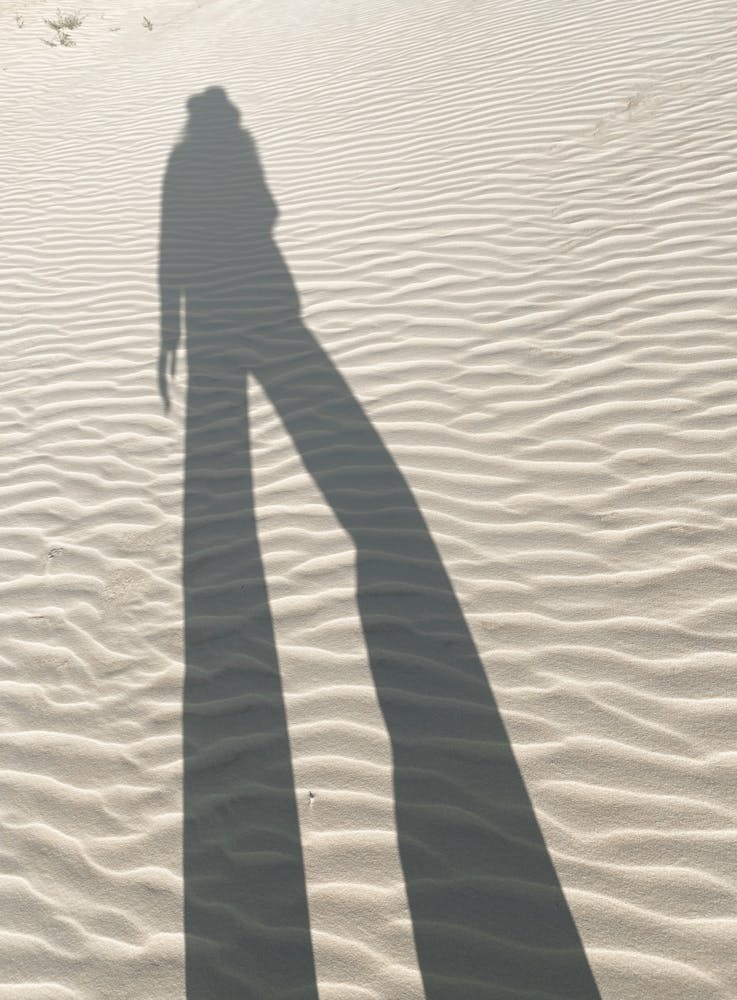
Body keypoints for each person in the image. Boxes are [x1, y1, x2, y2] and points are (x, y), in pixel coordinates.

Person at [159, 86, 600, 1000]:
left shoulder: (182, 159)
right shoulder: (232, 146)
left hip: (219, 325)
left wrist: (170, 326)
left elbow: (171, 252)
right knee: (339, 465)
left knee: (226, 495)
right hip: (271, 309)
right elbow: (268, 214)